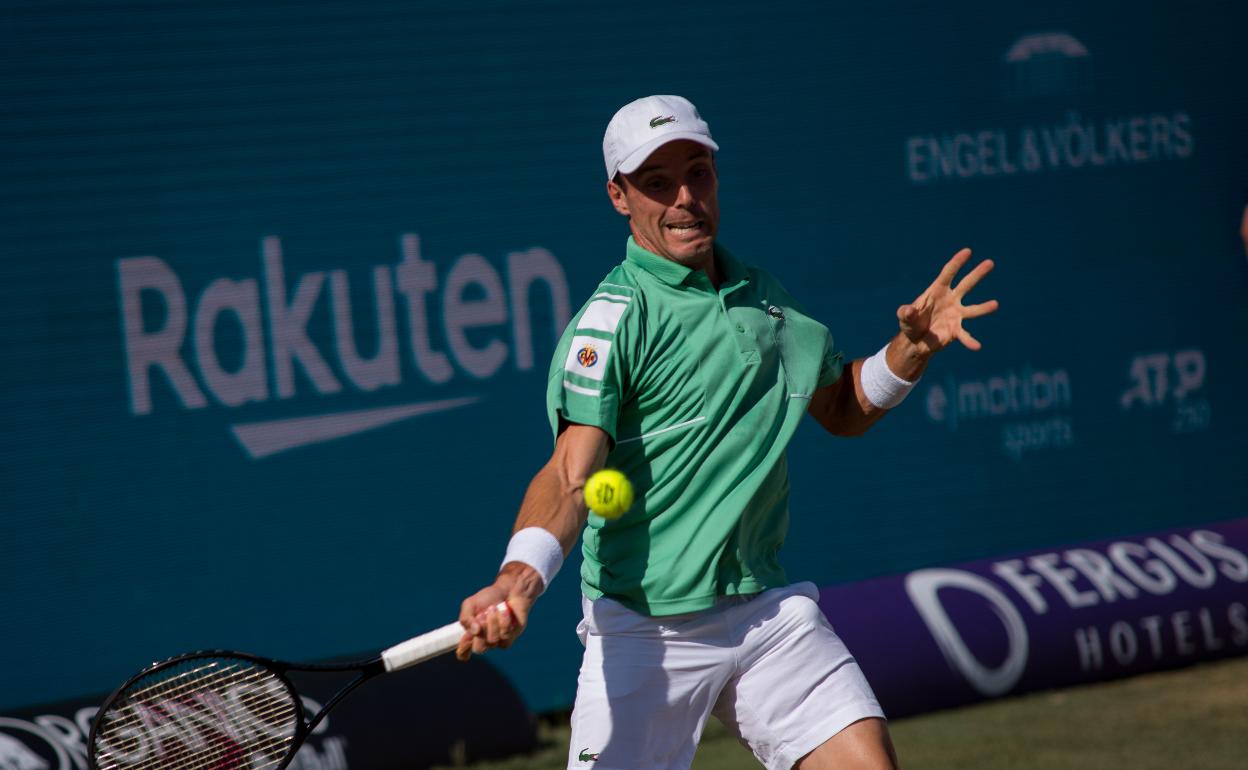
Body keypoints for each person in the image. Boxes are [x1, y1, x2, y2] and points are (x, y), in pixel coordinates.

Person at [455, 94, 997, 770]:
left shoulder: (766, 302)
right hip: (646, 633)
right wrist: (522, 575)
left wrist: (911, 349)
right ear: (619, 196)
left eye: (698, 173)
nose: (685, 198)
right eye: (657, 182)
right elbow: (571, 475)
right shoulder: (613, 321)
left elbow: (842, 407)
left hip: (764, 615)